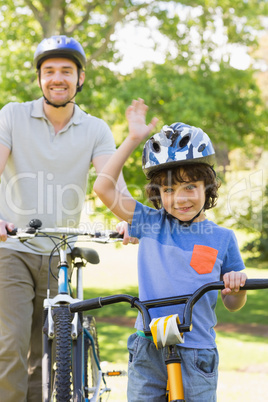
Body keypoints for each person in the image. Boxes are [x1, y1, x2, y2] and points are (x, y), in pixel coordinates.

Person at [0, 35, 132, 401]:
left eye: (66, 71)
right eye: (49, 71)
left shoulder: (95, 129)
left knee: (48, 352)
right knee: (10, 346)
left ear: (80, 78)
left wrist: (129, 218)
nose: (57, 78)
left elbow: (112, 186)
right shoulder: (11, 115)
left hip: (62, 252)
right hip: (12, 246)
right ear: (40, 78)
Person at [93, 98, 248, 401]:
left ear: (208, 187)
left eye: (190, 187)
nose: (180, 199)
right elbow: (103, 188)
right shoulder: (151, 223)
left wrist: (236, 290)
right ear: (157, 194)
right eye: (168, 190)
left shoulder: (222, 238)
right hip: (148, 345)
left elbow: (233, 304)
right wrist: (133, 138)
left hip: (197, 350)